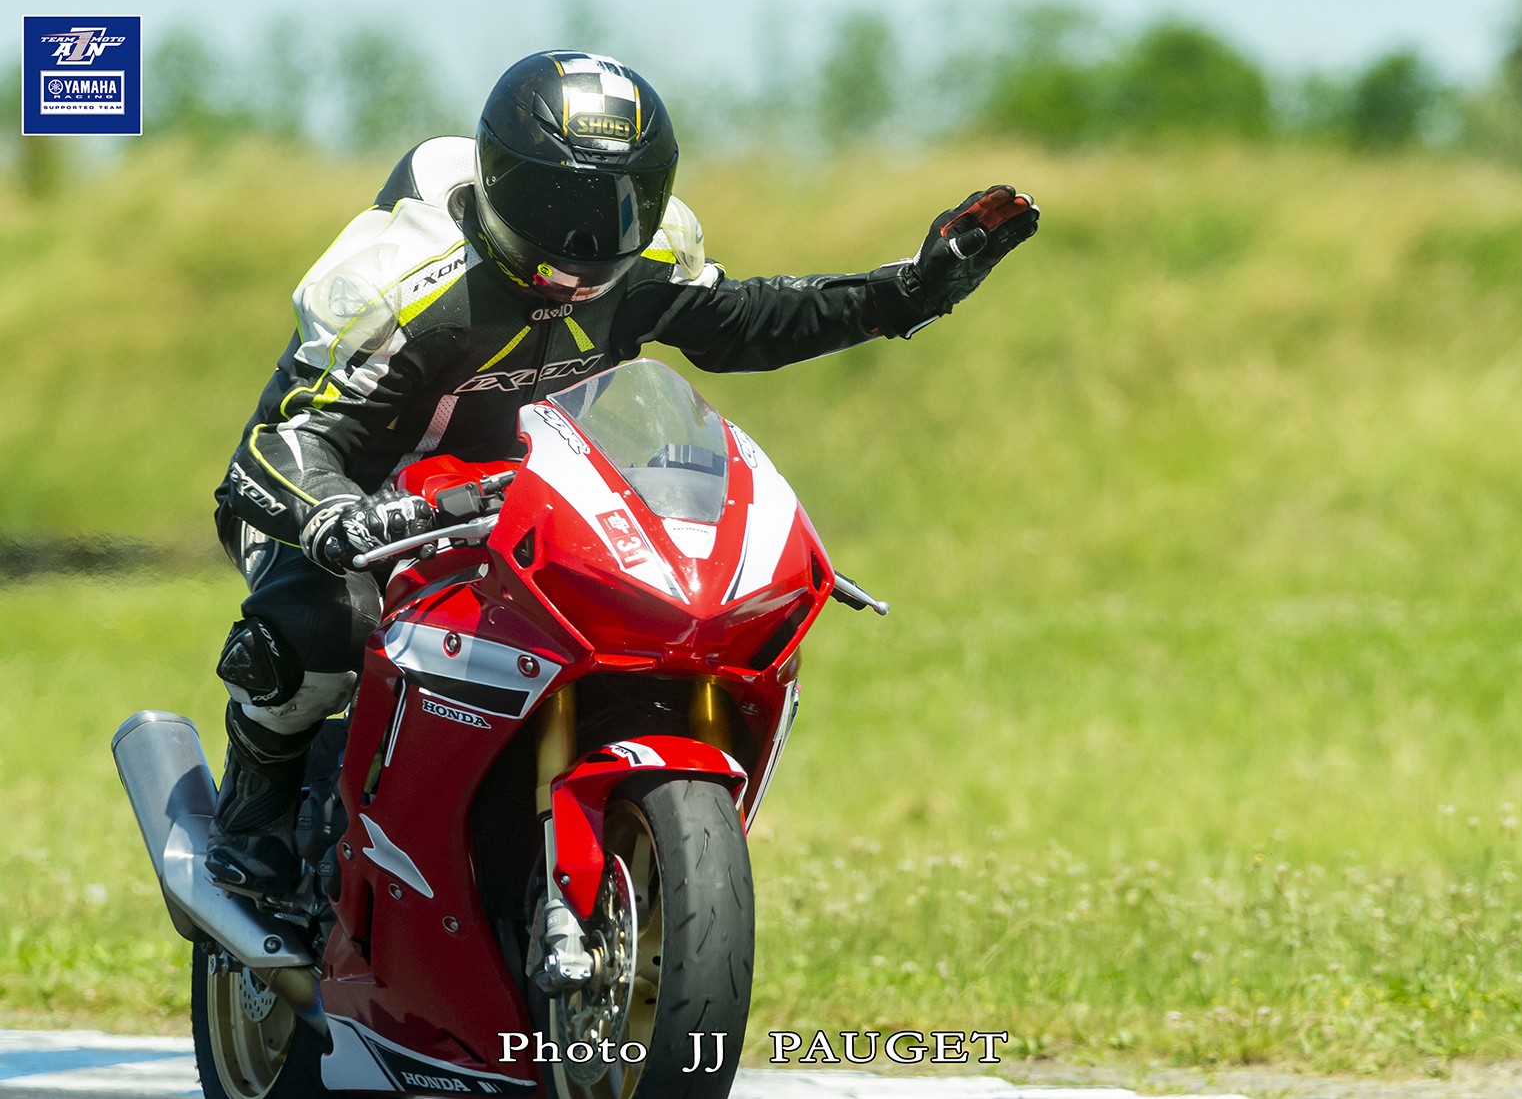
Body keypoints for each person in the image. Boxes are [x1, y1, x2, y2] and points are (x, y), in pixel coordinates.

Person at [206, 50, 1039, 896]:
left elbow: (750, 321)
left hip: (514, 495)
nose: (589, 238)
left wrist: (911, 293)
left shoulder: (653, 255)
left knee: (624, 625)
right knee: (327, 627)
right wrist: (336, 517)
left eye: (621, 202)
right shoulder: (393, 279)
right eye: (561, 205)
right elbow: (283, 443)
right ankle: (253, 814)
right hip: (335, 497)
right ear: (500, 180)